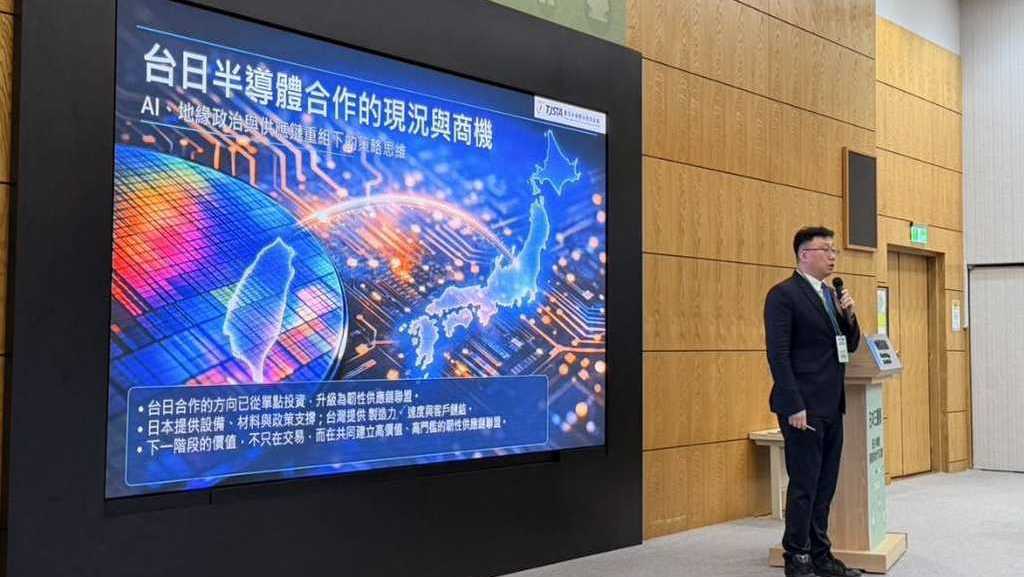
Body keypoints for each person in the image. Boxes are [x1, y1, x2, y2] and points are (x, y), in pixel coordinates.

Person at [764, 226, 862, 577]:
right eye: (826, 249)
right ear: (804, 254)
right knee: (804, 484)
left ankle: (822, 554)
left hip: (832, 403)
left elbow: (849, 344)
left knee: (825, 484)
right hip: (802, 406)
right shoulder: (783, 295)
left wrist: (848, 315)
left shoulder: (831, 295)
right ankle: (797, 555)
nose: (833, 256)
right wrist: (793, 404)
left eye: (835, 250)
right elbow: (778, 354)